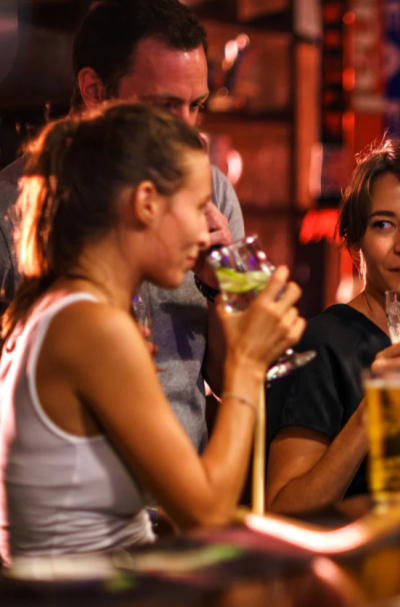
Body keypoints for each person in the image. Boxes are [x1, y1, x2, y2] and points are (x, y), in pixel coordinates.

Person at [0, 104, 304, 562]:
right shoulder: (92, 327)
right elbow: (207, 515)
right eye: (200, 206)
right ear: (145, 203)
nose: (207, 233)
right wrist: (246, 363)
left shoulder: (60, 308)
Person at [0, 0, 243, 452]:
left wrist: (224, 286)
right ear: (94, 89)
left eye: (196, 105)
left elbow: (233, 379)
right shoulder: (12, 206)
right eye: (164, 105)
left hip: (180, 504)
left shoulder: (213, 192)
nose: (185, 130)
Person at [265, 140, 400, 515]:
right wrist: (371, 411)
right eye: (383, 225)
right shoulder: (323, 343)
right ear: (356, 239)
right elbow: (284, 508)